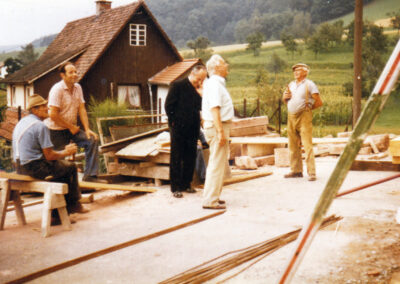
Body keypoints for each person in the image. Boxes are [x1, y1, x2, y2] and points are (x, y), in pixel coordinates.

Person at [12, 94, 88, 226]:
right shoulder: (40, 126)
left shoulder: (23, 122)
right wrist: (66, 151)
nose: (46, 108)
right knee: (69, 167)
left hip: (19, 166)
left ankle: (67, 208)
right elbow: (49, 156)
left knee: (61, 168)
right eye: (42, 106)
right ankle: (66, 209)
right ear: (34, 110)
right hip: (32, 167)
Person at [45, 62, 105, 183]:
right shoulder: (57, 89)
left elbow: (82, 108)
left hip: (71, 128)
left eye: (75, 72)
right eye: (71, 72)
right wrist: (70, 126)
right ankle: (59, 183)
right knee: (59, 156)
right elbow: (52, 114)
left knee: (91, 140)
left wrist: (87, 129)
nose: (74, 75)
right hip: (55, 130)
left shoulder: (78, 88)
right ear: (63, 75)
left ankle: (90, 176)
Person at [165, 65, 208, 198]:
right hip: (178, 127)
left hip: (193, 127)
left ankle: (186, 184)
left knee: (191, 155)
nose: (200, 82)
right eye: (199, 79)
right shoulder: (177, 85)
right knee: (177, 157)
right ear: (192, 74)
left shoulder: (198, 90)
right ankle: (176, 187)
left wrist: (202, 93)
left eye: (203, 80)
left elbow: (202, 106)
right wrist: (173, 121)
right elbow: (168, 105)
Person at [201, 55, 234, 210]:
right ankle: (210, 200)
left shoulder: (214, 84)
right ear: (217, 68)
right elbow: (215, 108)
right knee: (216, 163)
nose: (226, 65)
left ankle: (213, 196)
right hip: (216, 128)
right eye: (224, 63)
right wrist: (220, 131)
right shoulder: (214, 84)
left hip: (216, 127)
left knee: (218, 163)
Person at [282, 63, 320, 181]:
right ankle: (296, 170)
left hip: (304, 117)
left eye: (298, 70)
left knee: (307, 144)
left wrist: (308, 110)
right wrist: (284, 98)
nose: (296, 72)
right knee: (293, 145)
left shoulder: (310, 84)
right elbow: (287, 100)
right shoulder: (291, 85)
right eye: (295, 71)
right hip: (291, 117)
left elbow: (319, 102)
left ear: (305, 72)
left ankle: (312, 173)